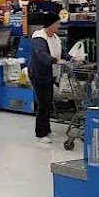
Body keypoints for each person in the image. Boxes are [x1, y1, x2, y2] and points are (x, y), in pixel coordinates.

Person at [29, 13, 63, 144]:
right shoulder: (39, 37)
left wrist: (71, 58)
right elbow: (41, 54)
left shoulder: (55, 37)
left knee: (48, 102)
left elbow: (61, 53)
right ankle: (40, 133)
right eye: (57, 23)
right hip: (39, 74)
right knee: (43, 103)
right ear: (50, 24)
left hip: (49, 74)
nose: (59, 26)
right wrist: (55, 61)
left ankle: (46, 128)